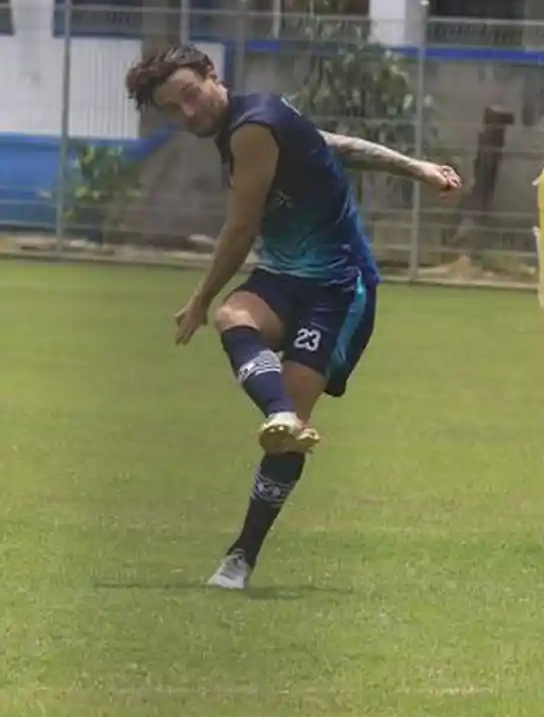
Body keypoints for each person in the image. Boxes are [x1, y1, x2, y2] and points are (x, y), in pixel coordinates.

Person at [124, 44, 461, 590]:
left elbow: (240, 229)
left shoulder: (251, 128)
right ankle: (280, 418)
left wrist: (199, 299)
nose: (188, 113)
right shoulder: (258, 118)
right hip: (285, 276)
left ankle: (243, 554)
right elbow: (332, 145)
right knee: (240, 319)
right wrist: (415, 166)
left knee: (243, 345)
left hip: (337, 287)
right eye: (172, 108)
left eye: (190, 95)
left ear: (213, 76)